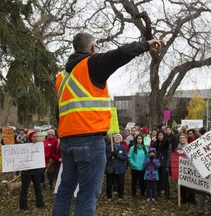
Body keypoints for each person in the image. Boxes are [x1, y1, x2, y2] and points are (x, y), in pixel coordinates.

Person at [53, 32, 161, 216]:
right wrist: (146, 44)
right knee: (87, 195)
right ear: (93, 48)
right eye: (97, 46)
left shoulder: (61, 78)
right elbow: (120, 54)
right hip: (90, 141)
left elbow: (60, 112)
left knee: (64, 191)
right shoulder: (91, 64)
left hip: (67, 141)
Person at [19, 131, 45, 211]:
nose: (35, 138)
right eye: (33, 136)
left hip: (36, 171)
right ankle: (23, 206)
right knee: (24, 189)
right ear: (30, 137)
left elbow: (40, 157)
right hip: (26, 172)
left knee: (38, 188)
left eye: (36, 136)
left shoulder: (39, 146)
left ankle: (40, 203)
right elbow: (20, 158)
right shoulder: (25, 146)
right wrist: (23, 166)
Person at [105, 134, 127, 201]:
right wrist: (110, 154)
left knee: (120, 183)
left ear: (121, 140)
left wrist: (117, 155)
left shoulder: (123, 147)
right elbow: (105, 157)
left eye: (118, 138)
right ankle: (109, 196)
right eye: (116, 138)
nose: (117, 139)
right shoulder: (109, 147)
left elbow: (125, 157)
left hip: (120, 168)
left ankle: (120, 196)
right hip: (110, 168)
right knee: (109, 183)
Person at [152, 130, 171, 200]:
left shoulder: (167, 143)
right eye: (159, 135)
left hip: (164, 164)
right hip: (157, 164)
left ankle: (167, 193)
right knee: (158, 179)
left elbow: (169, 155)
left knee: (165, 179)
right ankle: (158, 192)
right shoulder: (155, 143)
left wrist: (167, 165)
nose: (160, 136)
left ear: (163, 135)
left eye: (161, 135)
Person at [128, 134, 148, 198]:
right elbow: (130, 157)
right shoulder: (132, 148)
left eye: (140, 139)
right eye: (138, 139)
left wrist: (145, 164)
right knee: (134, 181)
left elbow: (147, 157)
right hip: (135, 168)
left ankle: (142, 193)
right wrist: (133, 164)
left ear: (142, 140)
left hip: (143, 168)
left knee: (142, 182)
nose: (139, 140)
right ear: (136, 140)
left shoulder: (145, 148)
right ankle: (134, 194)